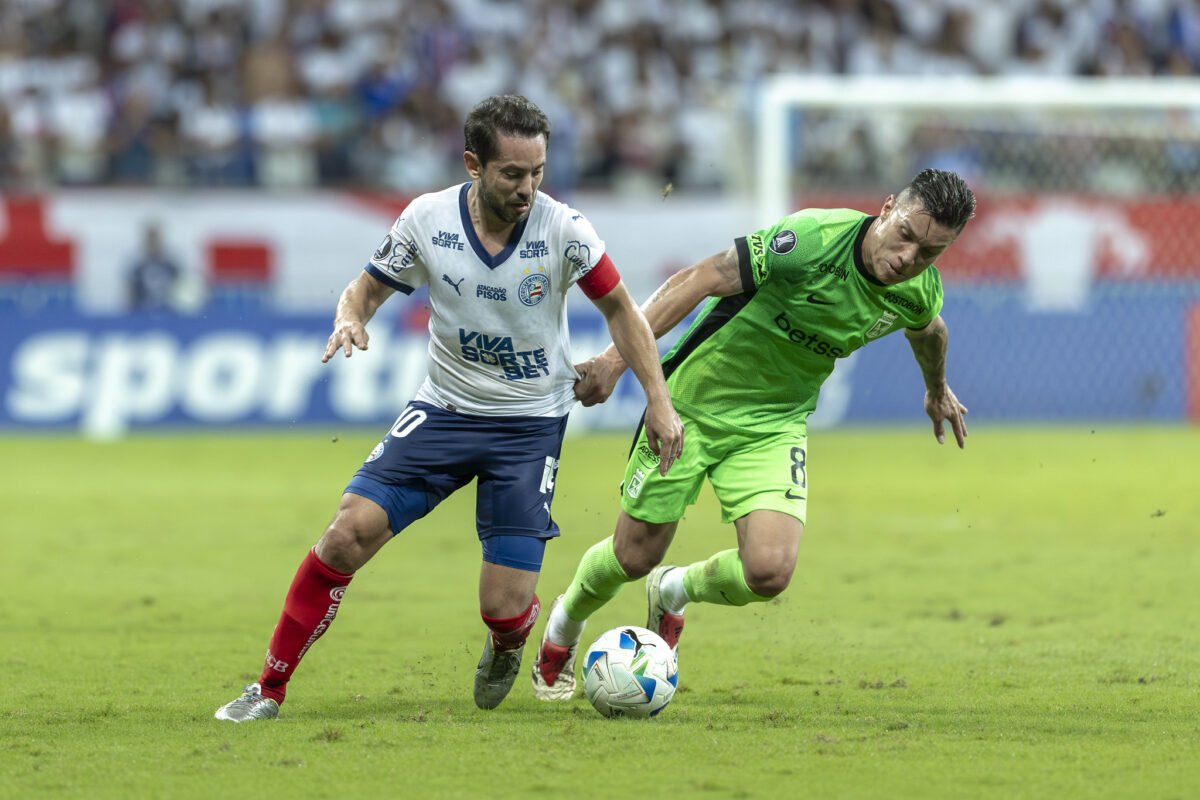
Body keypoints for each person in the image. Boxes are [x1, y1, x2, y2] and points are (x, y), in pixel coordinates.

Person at [214, 94, 683, 722]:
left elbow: (623, 309)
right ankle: (267, 689)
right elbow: (367, 287)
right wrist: (351, 315)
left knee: (503, 606)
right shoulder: (425, 220)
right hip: (444, 411)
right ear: (473, 164)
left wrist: (656, 397)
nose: (528, 188)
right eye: (513, 174)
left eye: (538, 172)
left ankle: (510, 639)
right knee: (345, 535)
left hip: (529, 427)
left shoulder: (563, 229)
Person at [531, 168, 975, 700]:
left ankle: (674, 590)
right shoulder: (811, 241)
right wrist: (613, 360)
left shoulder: (917, 290)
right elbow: (699, 278)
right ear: (885, 210)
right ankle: (563, 626)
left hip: (775, 422)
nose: (908, 258)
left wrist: (936, 388)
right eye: (905, 234)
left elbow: (931, 331)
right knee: (632, 556)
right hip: (690, 406)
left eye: (929, 252)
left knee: (769, 571)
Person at [126, 221, 181, 311]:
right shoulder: (137, 267)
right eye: (150, 239)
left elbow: (181, 290)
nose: (153, 243)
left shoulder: (171, 266)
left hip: (169, 313)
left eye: (155, 239)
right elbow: (130, 295)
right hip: (142, 313)